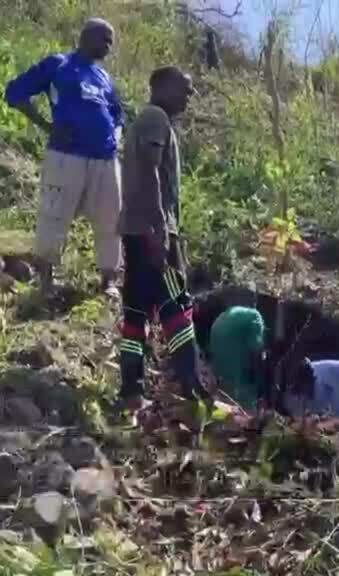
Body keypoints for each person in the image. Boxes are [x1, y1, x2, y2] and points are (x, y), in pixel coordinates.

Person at [4, 18, 123, 298]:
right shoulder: (59, 65)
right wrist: (47, 125)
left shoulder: (104, 77)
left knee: (111, 219)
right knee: (54, 215)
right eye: (103, 38)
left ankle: (108, 281)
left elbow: (118, 115)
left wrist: (116, 136)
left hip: (106, 159)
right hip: (66, 155)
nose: (108, 46)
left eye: (111, 42)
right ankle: (46, 282)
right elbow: (15, 93)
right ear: (84, 36)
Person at [117, 66, 210, 419]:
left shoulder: (146, 120)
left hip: (137, 230)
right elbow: (152, 170)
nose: (189, 96)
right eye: (184, 89)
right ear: (161, 87)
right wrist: (160, 225)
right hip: (155, 231)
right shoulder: (156, 117)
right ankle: (192, 388)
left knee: (136, 312)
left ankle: (131, 392)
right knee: (177, 304)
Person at [205, 306, 267, 411]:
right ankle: (247, 411)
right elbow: (256, 349)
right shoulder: (256, 318)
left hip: (217, 331)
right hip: (229, 340)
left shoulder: (237, 314)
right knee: (244, 386)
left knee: (227, 384)